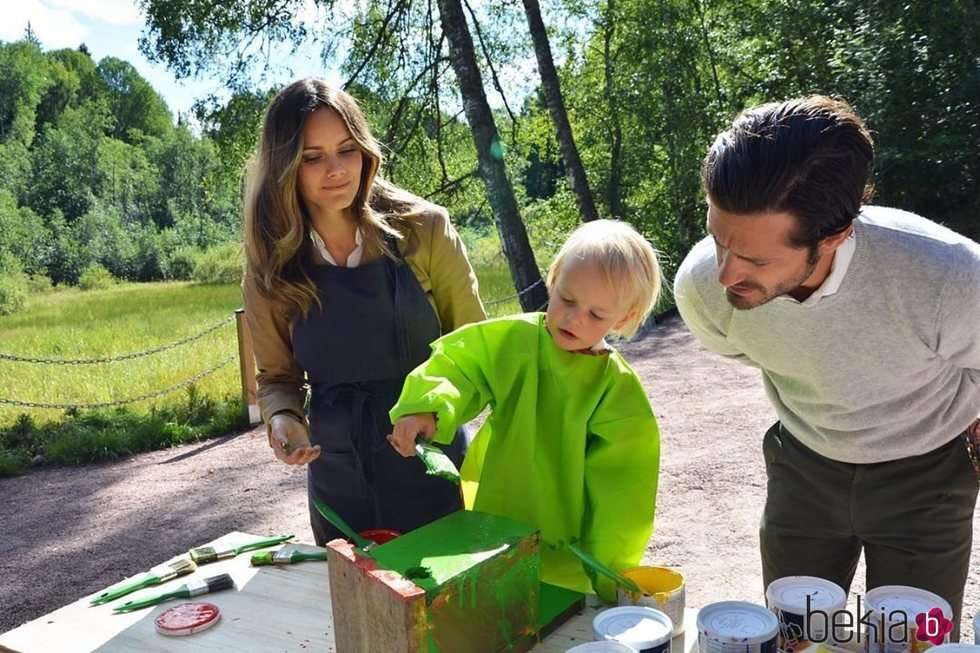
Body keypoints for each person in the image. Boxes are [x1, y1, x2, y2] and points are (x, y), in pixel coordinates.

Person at [674, 95, 980, 638]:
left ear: (836, 236)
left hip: (927, 478)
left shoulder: (948, 277)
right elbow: (741, 348)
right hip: (803, 468)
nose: (726, 275)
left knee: (912, 644)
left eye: (757, 260)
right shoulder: (702, 285)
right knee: (795, 639)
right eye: (719, 239)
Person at [241, 78, 486, 546]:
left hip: (433, 465)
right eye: (312, 157)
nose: (335, 170)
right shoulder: (269, 268)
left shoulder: (425, 230)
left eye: (347, 149)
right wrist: (284, 420)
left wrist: (436, 411)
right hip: (338, 481)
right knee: (353, 614)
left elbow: (475, 353)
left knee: (449, 611)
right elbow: (277, 379)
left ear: (366, 151)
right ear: (284, 165)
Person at [387, 219, 661, 600]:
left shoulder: (616, 391)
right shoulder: (515, 341)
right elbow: (460, 365)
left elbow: (623, 493)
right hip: (497, 521)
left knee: (557, 622)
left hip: (568, 549)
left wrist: (609, 574)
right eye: (567, 299)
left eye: (596, 315)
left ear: (625, 318)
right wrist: (426, 408)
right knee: (491, 610)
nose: (573, 318)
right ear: (553, 279)